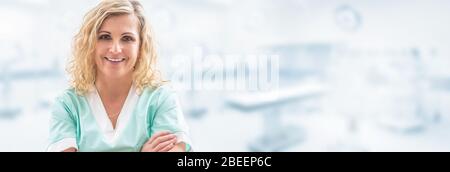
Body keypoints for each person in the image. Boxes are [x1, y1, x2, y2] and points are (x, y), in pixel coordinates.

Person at [47, 0, 192, 152]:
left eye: (127, 38)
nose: (115, 49)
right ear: (90, 44)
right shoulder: (68, 105)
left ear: (141, 47)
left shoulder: (160, 100)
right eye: (104, 37)